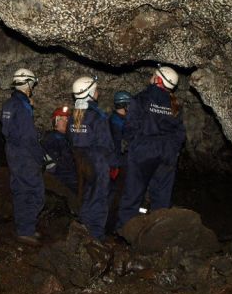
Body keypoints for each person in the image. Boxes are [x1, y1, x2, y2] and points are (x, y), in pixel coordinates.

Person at [116, 65, 186, 233]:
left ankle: (126, 232)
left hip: (144, 150)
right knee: (161, 198)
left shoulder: (141, 98)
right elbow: (181, 133)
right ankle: (158, 234)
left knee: (133, 194)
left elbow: (130, 126)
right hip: (167, 152)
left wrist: (134, 144)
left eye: (154, 74)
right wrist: (172, 149)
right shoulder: (175, 104)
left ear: (158, 79)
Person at [0, 68, 46, 246]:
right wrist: (40, 157)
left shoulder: (9, 104)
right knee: (35, 192)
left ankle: (25, 228)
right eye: (32, 84)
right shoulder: (22, 106)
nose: (32, 87)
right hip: (25, 154)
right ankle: (25, 230)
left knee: (20, 190)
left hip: (12, 151)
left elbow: (6, 129)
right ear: (28, 83)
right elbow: (28, 136)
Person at [68, 75, 114, 242]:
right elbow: (106, 144)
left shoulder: (74, 115)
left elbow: (70, 139)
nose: (98, 92)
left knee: (88, 194)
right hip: (97, 162)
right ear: (90, 93)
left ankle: (83, 226)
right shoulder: (97, 116)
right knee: (99, 199)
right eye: (96, 90)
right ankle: (95, 235)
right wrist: (113, 163)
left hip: (81, 161)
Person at [106, 90, 132, 232]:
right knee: (117, 195)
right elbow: (121, 144)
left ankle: (111, 225)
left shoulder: (112, 119)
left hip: (114, 163)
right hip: (119, 164)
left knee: (114, 194)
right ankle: (112, 227)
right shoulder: (119, 122)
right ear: (124, 105)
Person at [41, 105, 78, 194]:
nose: (66, 122)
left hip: (64, 172)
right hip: (61, 175)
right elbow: (66, 161)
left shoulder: (65, 138)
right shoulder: (53, 138)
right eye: (62, 119)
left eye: (67, 120)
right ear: (56, 122)